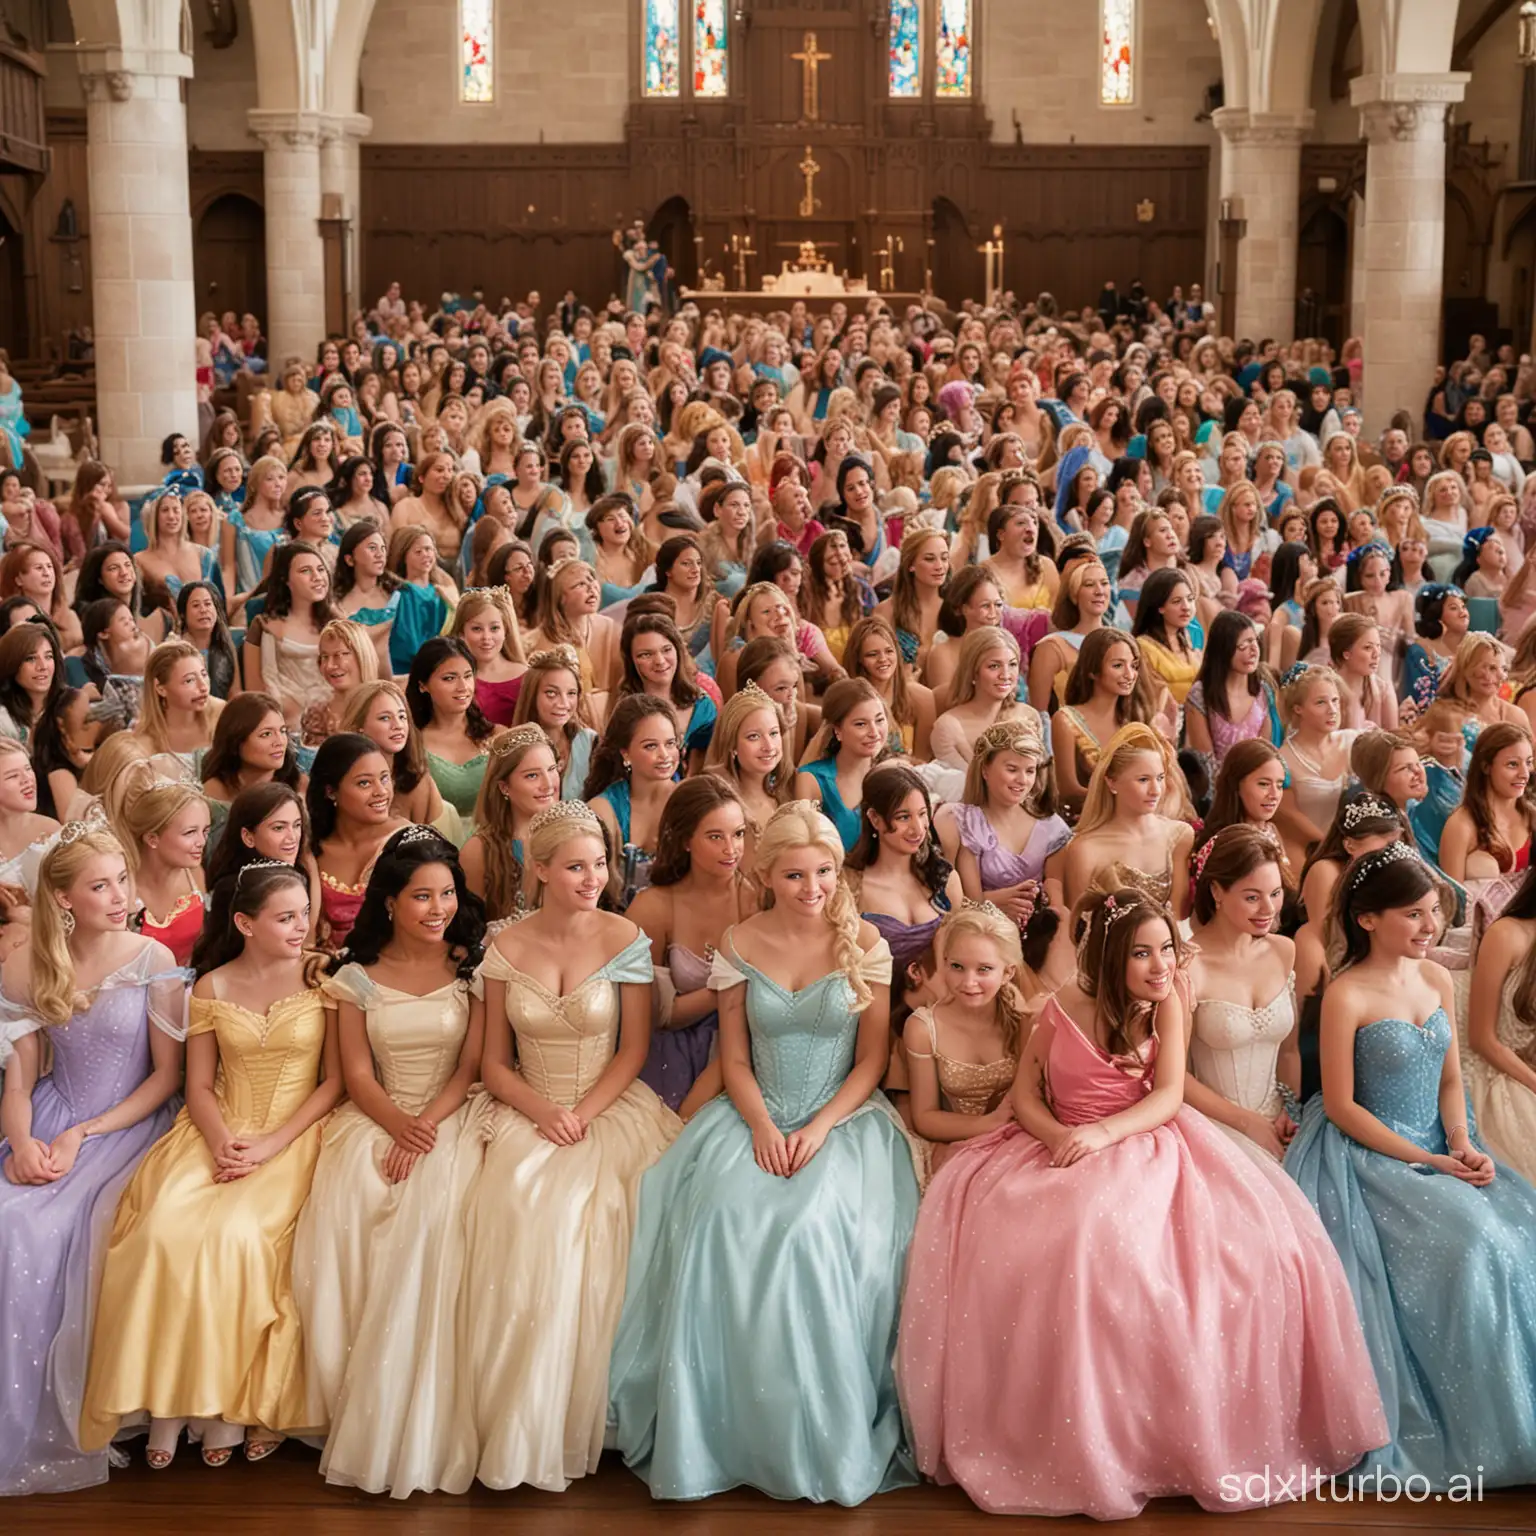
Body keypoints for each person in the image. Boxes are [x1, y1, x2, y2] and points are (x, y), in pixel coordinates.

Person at [896, 886, 1386, 1519]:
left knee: (1240, 1251)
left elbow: (1168, 1093)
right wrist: (1059, 1136)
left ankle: (1172, 1437)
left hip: (1146, 1139)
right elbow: (1025, 1097)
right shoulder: (1060, 1008)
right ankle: (1078, 1440)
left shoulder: (1166, 1007)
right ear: (1108, 959)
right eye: (1143, 955)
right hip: (1062, 1142)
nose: (1161, 967)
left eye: (1165, 951)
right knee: (1069, 1245)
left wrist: (1106, 1132)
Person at [609, 801, 919, 1504]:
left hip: (843, 1121)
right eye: (795, 874)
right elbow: (735, 1057)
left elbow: (871, 1061)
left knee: (811, 1232)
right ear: (767, 875)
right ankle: (720, 1431)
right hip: (753, 1113)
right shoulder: (741, 943)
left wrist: (819, 1129)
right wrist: (761, 1127)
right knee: (720, 1220)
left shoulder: (864, 942)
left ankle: (810, 1434)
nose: (813, 887)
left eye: (824, 872)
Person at [1284, 843, 1536, 1489]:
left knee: (1521, 1235)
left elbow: (1451, 1080)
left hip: (1441, 1144)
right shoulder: (1345, 994)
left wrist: (1461, 1142)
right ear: (1367, 919)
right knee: (1474, 1245)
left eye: (1433, 913)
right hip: (1371, 1153)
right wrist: (1426, 1160)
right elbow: (1339, 1105)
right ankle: (1481, 1430)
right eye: (1414, 915)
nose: (1430, 928)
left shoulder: (1433, 981)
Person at [80, 861, 339, 1470]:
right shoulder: (212, 987)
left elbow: (334, 1082)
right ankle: (167, 1403)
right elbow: (196, 1085)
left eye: (304, 913)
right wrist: (223, 1140)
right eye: (285, 918)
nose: (301, 926)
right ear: (245, 923)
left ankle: (234, 1407)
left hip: (295, 1132)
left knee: (239, 1237)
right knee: (162, 1230)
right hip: (216, 1127)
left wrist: (273, 1143)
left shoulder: (323, 976)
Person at [460, 800, 679, 1490]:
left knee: (608, 1213)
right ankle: (525, 1417)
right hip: (527, 1104)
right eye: (577, 866)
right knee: (521, 1215)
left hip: (607, 1105)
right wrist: (541, 1111)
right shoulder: (504, 948)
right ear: (542, 870)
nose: (594, 877)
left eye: (601, 864)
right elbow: (494, 1063)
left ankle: (607, 1410)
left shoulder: (624, 938)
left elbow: (634, 1048)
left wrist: (580, 1113)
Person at [292, 826, 488, 1496]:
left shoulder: (470, 966)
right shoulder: (357, 979)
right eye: (423, 897)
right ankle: (355, 1394)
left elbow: (471, 1065)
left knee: (437, 1215)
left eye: (447, 895)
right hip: (379, 1116)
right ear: (390, 903)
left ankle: (435, 1404)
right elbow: (354, 1073)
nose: (439, 909)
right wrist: (399, 1127)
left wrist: (426, 1125)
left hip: (451, 1116)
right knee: (356, 1200)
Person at [0, 827, 185, 1495]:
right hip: (49, 1117)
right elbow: (18, 1080)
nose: (119, 895)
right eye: (100, 884)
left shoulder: (153, 958)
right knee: (5, 1215)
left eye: (122, 880)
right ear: (63, 896)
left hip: (128, 1122)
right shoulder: (24, 965)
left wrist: (85, 1134)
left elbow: (166, 1078)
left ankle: (82, 1409)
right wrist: (22, 1143)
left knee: (48, 1228)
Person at [627, 777, 756, 1111]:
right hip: (671, 1052)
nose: (731, 849)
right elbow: (655, 1016)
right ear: (685, 839)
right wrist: (728, 987)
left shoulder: (757, 900)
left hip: (747, 1044)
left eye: (738, 834)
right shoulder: (653, 907)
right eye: (716, 837)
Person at [1184, 825, 1299, 1160]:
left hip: (1281, 1125)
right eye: (1252, 897)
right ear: (1217, 891)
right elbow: (1174, 1076)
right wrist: (1246, 1123)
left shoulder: (1284, 951)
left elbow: (1289, 1053)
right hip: (1212, 1127)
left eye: (1276, 893)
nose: (1268, 909)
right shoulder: (1188, 964)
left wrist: (1290, 1109)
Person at [902, 901, 1025, 1174]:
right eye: (957, 967)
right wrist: (988, 1125)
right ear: (944, 964)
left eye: (984, 970)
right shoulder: (923, 1028)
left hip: (1021, 1141)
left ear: (1008, 973)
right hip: (956, 1144)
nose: (968, 982)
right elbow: (924, 1117)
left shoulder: (1022, 1018)